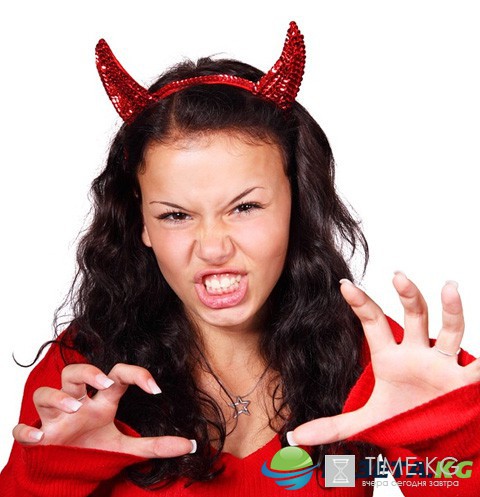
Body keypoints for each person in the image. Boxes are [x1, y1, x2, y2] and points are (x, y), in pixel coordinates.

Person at [0, 21, 479, 496]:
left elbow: (447, 477)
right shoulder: (84, 379)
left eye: (245, 207)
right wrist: (47, 477)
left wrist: (453, 442)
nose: (212, 248)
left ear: (297, 205)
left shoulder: (383, 359)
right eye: (175, 215)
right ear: (141, 223)